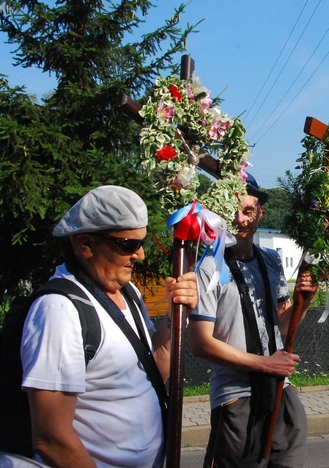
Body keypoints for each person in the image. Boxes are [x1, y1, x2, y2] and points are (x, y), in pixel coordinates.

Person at [21, 185, 198, 467]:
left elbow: (154, 372)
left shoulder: (128, 293)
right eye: (128, 244)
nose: (139, 255)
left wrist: (175, 316)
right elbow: (51, 438)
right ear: (85, 244)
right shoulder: (59, 310)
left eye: (142, 243)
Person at [189, 173, 318, 468]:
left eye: (248, 211)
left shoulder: (271, 260)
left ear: (260, 213)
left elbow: (282, 325)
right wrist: (264, 364)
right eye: (233, 211)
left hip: (280, 391)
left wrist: (303, 303)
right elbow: (200, 344)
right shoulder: (209, 266)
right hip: (236, 398)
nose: (240, 220)